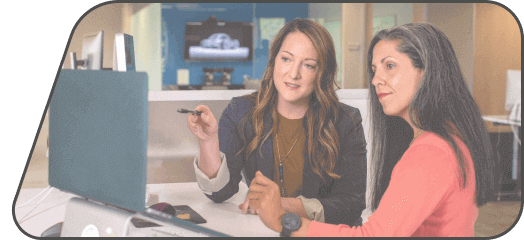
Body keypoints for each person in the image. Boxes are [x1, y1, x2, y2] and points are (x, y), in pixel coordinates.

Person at [246, 22, 497, 237]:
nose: (376, 79)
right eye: (375, 69)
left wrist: (284, 221)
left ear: (426, 71)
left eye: (390, 66)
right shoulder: (451, 137)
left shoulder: (430, 152)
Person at [186, 18, 367, 226]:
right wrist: (208, 141)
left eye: (308, 65)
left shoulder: (345, 121)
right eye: (287, 59)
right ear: (274, 61)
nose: (293, 74)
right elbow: (219, 193)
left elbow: (352, 205)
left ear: (321, 73)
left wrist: (281, 204)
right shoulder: (241, 111)